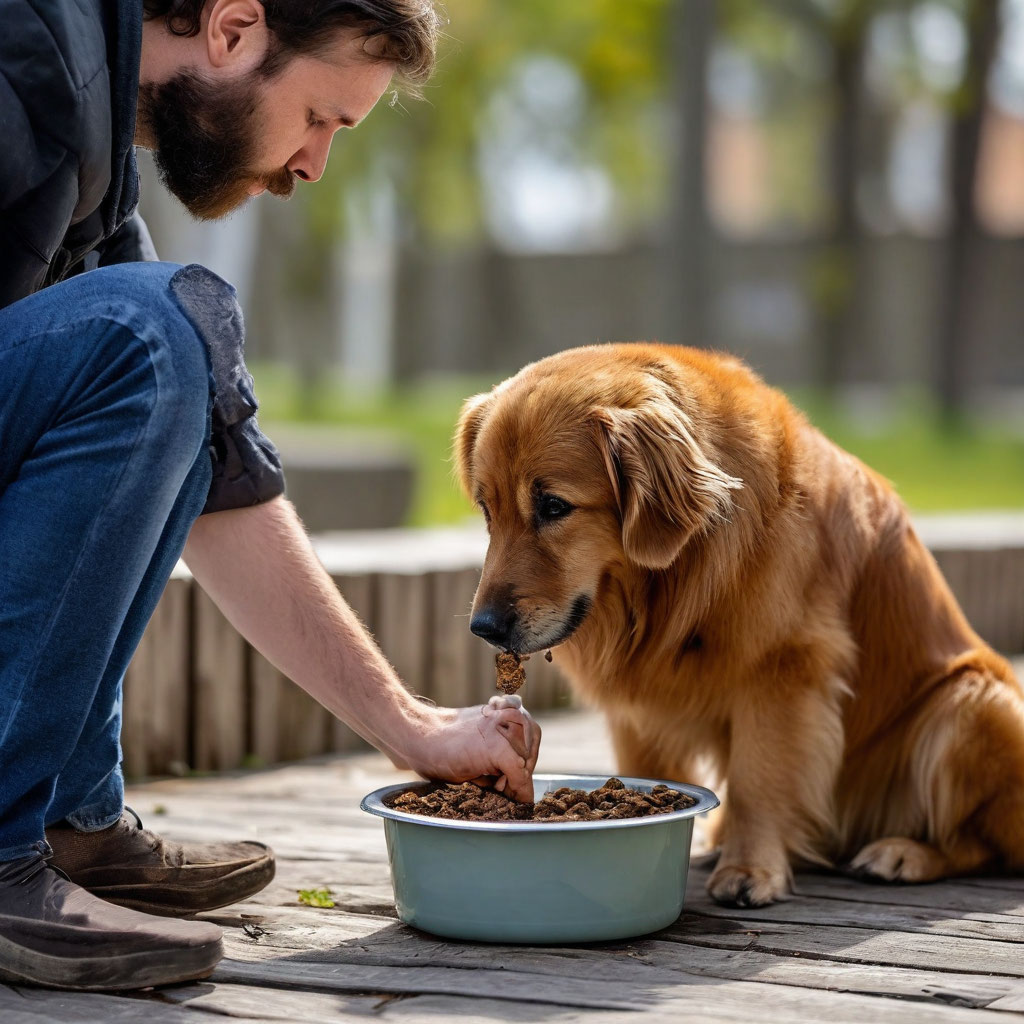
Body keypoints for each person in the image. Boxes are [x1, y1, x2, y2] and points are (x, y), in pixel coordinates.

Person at [0, 0, 540, 991]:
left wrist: (410, 726)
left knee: (174, 353)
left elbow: (228, 476)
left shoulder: (92, 148)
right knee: (153, 332)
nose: (311, 165)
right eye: (322, 118)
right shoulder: (21, 55)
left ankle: (67, 826)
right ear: (233, 27)